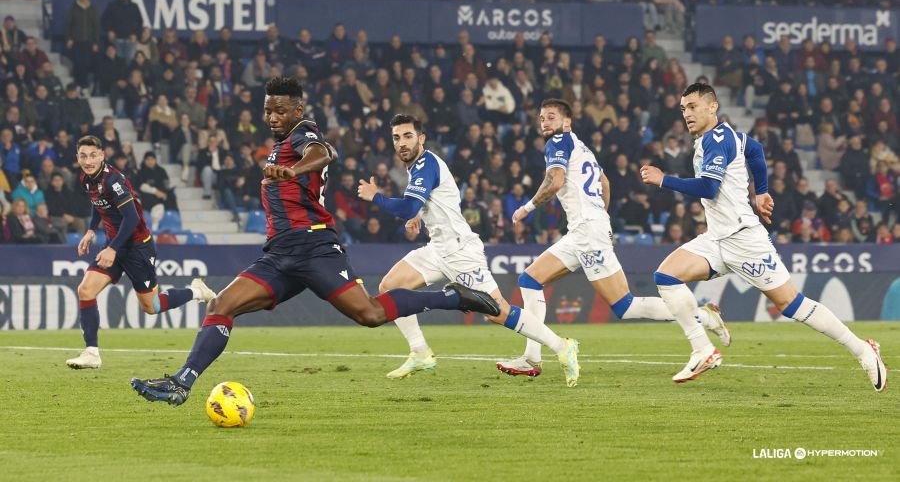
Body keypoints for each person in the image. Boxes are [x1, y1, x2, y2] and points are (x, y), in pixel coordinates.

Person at [130, 77, 501, 406]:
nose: (272, 117)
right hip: (279, 255)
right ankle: (181, 382)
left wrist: (292, 170)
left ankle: (453, 297)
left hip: (315, 247)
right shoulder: (278, 147)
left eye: (279, 110)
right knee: (223, 303)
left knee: (370, 314)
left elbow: (323, 153)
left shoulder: (304, 132)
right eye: (267, 110)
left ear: (297, 109)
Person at [639, 83, 886, 390]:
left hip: (744, 240)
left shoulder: (717, 140)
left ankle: (863, 349)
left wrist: (664, 180)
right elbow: (754, 150)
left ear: (712, 106)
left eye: (692, 106)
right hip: (717, 238)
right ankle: (702, 349)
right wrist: (762, 192)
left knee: (791, 304)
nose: (686, 114)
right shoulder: (724, 135)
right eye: (683, 109)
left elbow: (708, 187)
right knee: (666, 276)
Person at [496, 99, 731, 378]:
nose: (544, 122)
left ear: (566, 122)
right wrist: (600, 216)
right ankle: (532, 358)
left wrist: (526, 207)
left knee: (624, 305)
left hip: (587, 232)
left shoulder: (557, 143)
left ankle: (703, 317)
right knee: (529, 280)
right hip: (584, 231)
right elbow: (605, 183)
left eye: (550, 117)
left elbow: (555, 181)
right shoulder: (582, 147)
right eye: (541, 118)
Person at [356, 114, 580, 386]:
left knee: (498, 311)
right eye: (396, 137)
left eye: (407, 136)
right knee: (390, 286)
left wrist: (376, 197)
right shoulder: (417, 166)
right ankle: (420, 352)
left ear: (421, 138)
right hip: (438, 249)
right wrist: (420, 215)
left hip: (460, 252)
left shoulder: (426, 163)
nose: (401, 143)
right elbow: (434, 201)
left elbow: (407, 206)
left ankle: (561, 346)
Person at [65, 135, 215, 370]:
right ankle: (92, 353)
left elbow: (132, 218)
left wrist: (112, 248)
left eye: (93, 155)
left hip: (137, 248)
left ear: (102, 155)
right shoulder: (86, 178)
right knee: (85, 290)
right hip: (114, 246)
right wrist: (91, 231)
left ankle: (196, 291)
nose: (88, 160)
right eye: (83, 156)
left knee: (151, 306)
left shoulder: (114, 180)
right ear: (78, 158)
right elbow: (98, 205)